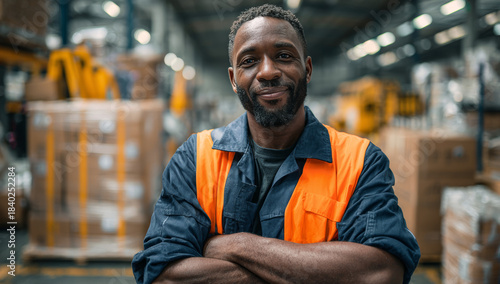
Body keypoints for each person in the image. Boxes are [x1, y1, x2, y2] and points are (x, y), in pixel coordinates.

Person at [132, 4, 420, 284]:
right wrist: (304, 273)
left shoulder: (359, 161)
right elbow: (162, 273)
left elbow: (383, 272)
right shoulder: (194, 159)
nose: (268, 71)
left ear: (307, 69)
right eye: (249, 61)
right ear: (233, 79)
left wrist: (238, 246)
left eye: (283, 56)